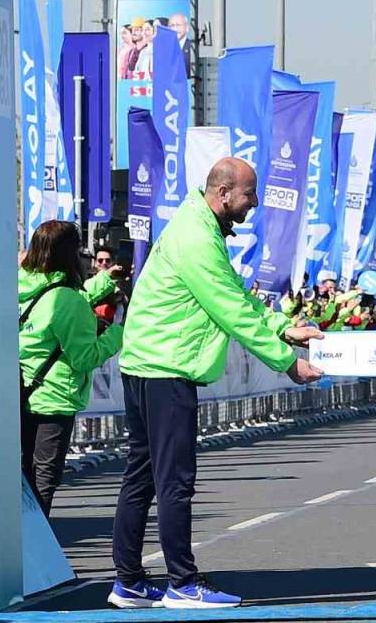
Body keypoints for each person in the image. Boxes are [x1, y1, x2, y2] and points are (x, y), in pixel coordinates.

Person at [109, 158, 325, 610]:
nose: (255, 204)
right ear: (224, 193)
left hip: (147, 365)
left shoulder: (198, 227)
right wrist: (287, 362)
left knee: (143, 477)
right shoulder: (196, 238)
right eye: (250, 195)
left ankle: (128, 582)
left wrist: (285, 327)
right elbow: (230, 308)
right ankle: (183, 585)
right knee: (174, 482)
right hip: (166, 368)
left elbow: (235, 296)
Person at [19, 222, 125, 517]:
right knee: (43, 481)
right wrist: (117, 334)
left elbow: (58, 295)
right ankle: (36, 554)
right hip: (53, 398)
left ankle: (20, 547)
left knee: (24, 477)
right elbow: (84, 357)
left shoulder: (21, 285)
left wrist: (104, 280)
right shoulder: (66, 299)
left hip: (20, 393)